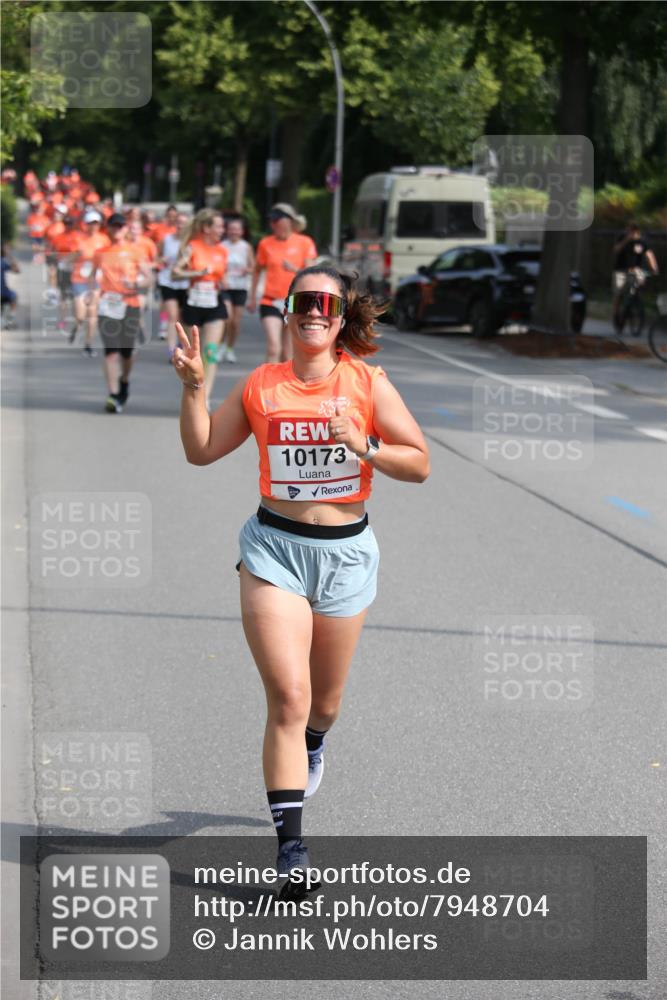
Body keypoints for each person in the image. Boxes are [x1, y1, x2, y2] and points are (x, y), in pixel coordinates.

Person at [171, 264, 430, 884]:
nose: (314, 310)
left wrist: (363, 446)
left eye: (326, 302)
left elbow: (419, 463)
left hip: (344, 554)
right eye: (302, 300)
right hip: (274, 551)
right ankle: (292, 853)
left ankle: (315, 741)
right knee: (288, 697)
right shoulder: (262, 386)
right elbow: (201, 450)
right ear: (287, 313)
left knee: (324, 704)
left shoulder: (368, 384)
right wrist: (193, 389)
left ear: (341, 318)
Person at [92, 213, 152, 413]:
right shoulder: (100, 253)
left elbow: (148, 278)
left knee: (127, 352)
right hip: (107, 306)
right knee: (111, 351)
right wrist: (94, 297)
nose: (117, 230)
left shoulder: (135, 251)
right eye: (114, 226)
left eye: (120, 227)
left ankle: (124, 380)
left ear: (125, 229)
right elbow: (93, 278)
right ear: (108, 229)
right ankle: (113, 394)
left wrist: (135, 283)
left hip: (130, 304)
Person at [171, 208, 228, 406]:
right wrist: (196, 273)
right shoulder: (192, 247)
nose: (223, 230)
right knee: (193, 354)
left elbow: (222, 276)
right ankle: (192, 388)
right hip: (194, 303)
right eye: (219, 226)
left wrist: (225, 282)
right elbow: (175, 272)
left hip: (214, 302)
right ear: (206, 228)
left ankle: (206, 396)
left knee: (211, 351)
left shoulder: (222, 250)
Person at [248, 204, 317, 364]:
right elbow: (257, 270)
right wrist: (252, 298)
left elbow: (311, 273)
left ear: (289, 221)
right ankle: (265, 386)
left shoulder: (304, 242)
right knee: (274, 347)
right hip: (270, 300)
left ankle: (285, 386)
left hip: (295, 301)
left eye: (277, 220)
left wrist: (293, 269)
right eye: (271, 221)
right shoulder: (266, 243)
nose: (273, 225)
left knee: (288, 353)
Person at [68, 209, 110, 356]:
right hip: (79, 279)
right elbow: (69, 259)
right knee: (81, 316)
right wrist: (75, 256)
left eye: (96, 223)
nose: (93, 226)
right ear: (85, 224)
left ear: (99, 225)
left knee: (92, 315)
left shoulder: (104, 239)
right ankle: (76, 326)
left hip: (96, 281)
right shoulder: (78, 239)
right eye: (90, 223)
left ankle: (88, 344)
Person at [612, 222, 659, 332]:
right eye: (628, 230)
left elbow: (650, 255)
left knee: (639, 285)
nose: (629, 232)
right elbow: (616, 249)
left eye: (632, 230)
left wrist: (655, 268)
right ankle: (616, 316)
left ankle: (635, 304)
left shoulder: (642, 242)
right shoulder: (622, 238)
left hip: (636, 270)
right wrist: (626, 240)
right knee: (618, 294)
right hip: (621, 270)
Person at [220, 216, 254, 364]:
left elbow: (254, 267)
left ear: (242, 231)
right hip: (225, 287)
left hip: (240, 287)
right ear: (227, 231)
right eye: (231, 229)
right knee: (226, 318)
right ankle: (220, 345)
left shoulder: (246, 247)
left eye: (237, 229)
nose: (234, 232)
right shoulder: (222, 246)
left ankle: (229, 349)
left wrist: (247, 270)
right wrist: (223, 277)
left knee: (235, 322)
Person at [156, 211, 190, 360]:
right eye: (179, 223)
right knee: (173, 316)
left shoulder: (191, 242)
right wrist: (161, 259)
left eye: (184, 223)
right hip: (168, 281)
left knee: (183, 317)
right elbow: (156, 256)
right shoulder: (167, 240)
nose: (181, 226)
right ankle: (171, 350)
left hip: (185, 283)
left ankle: (182, 347)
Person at [1, 243, 20, 328]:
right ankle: (9, 321)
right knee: (14, 297)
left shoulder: (3, 261)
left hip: (3, 291)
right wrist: (10, 257)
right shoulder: (2, 261)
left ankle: (5, 321)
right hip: (3, 292)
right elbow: (16, 270)